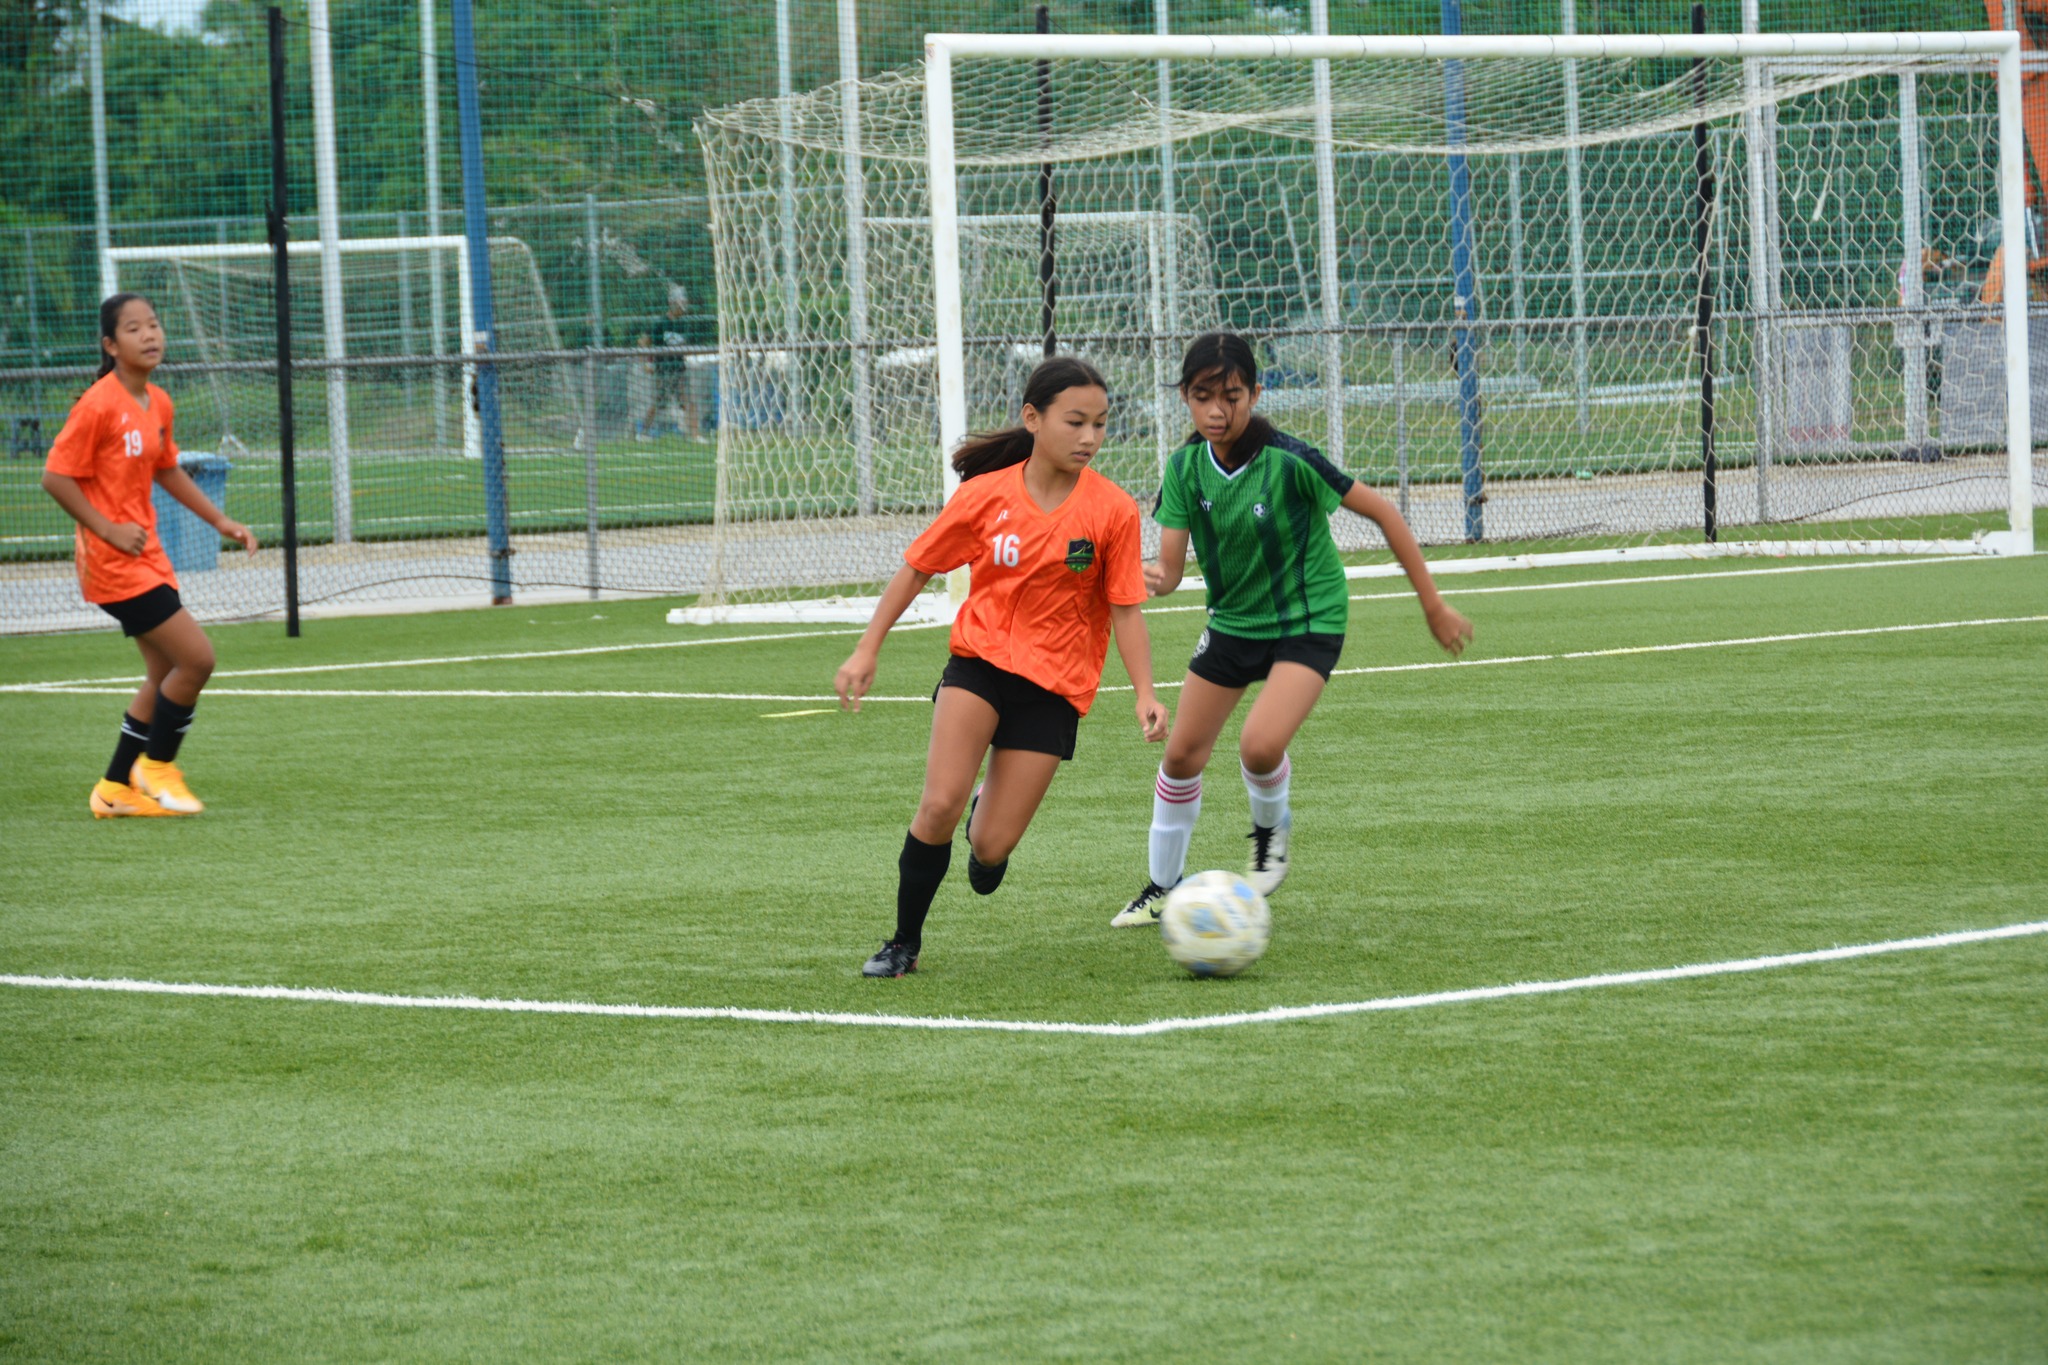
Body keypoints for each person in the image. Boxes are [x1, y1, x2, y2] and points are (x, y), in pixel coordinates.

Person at [1112, 332, 1472, 926]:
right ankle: (1160, 889)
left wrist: (1432, 605)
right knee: (1179, 758)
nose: (1217, 410)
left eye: (1231, 395)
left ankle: (1269, 836)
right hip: (1232, 624)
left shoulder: (1290, 459)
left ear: (1256, 392)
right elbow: (1172, 572)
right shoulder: (1183, 469)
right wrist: (1141, 575)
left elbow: (1382, 510)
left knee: (1259, 744)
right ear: (1184, 397)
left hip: (1309, 620)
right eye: (1203, 396)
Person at [836, 356, 1169, 977]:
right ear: (1033, 418)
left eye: (1100, 424)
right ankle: (903, 942)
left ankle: (986, 822)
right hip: (980, 666)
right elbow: (918, 567)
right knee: (937, 805)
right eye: (1075, 422)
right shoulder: (985, 496)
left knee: (989, 852)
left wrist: (1144, 693)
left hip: (1055, 690)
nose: (1090, 437)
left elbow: (1126, 610)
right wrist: (867, 647)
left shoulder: (1113, 511)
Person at [40, 293, 258, 818]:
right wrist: (108, 529)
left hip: (148, 557)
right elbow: (55, 477)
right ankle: (156, 766)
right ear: (111, 346)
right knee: (198, 659)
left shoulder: (158, 402)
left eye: (154, 325)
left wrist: (220, 520)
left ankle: (114, 788)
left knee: (163, 672)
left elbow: (166, 468)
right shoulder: (97, 403)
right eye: (134, 329)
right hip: (112, 563)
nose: (150, 335)